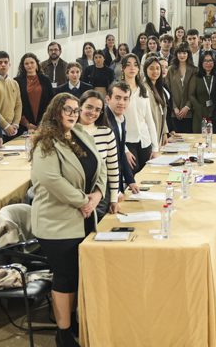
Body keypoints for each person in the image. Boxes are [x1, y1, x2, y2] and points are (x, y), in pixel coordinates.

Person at [29, 93, 106, 347]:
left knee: (76, 274)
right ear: (55, 112)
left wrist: (96, 196)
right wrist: (83, 201)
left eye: (75, 109)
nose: (73, 114)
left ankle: (71, 320)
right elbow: (52, 181)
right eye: (68, 109)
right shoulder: (45, 142)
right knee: (65, 275)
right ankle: (62, 333)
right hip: (56, 222)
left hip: (83, 217)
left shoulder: (81, 134)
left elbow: (100, 166)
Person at [78, 90, 121, 216]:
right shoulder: (70, 131)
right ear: (80, 107)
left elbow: (112, 169)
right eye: (89, 107)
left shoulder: (106, 133)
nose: (93, 113)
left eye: (97, 110)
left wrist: (114, 199)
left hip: (100, 194)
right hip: (75, 194)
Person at [104, 81, 140, 195]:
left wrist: (130, 180)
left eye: (125, 99)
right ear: (108, 99)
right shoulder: (105, 121)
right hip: (105, 182)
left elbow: (121, 152)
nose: (121, 102)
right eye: (117, 98)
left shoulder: (121, 118)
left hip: (116, 178)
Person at [16, 52, 56, 134]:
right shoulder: (17, 81)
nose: (29, 65)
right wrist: (27, 124)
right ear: (23, 66)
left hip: (44, 123)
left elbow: (51, 101)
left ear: (37, 64)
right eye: (26, 63)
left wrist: (44, 121)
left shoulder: (45, 80)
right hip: (24, 125)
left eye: (32, 62)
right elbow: (16, 104)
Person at [0, 51, 22, 141]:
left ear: (9, 64)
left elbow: (18, 105)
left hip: (13, 130)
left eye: (6, 62)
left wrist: (15, 124)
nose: (3, 65)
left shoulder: (14, 83)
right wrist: (6, 126)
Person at [168, 43, 197, 134]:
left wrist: (187, 106)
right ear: (176, 54)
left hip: (189, 113)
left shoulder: (194, 70)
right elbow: (168, 90)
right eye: (179, 53)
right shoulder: (170, 70)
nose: (182, 55)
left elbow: (195, 91)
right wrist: (174, 108)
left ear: (188, 54)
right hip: (174, 112)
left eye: (184, 53)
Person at [141, 56, 170, 148]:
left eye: (158, 68)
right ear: (145, 70)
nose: (155, 72)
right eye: (151, 68)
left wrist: (165, 132)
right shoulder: (144, 88)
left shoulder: (158, 87)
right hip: (148, 134)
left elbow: (162, 111)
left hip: (159, 131)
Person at [190, 51, 216, 132]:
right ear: (201, 62)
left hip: (215, 114)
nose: (208, 63)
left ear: (214, 62)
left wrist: (215, 109)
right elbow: (191, 95)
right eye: (205, 61)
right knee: (200, 141)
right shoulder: (196, 76)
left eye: (210, 60)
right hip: (199, 114)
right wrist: (200, 109)